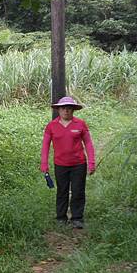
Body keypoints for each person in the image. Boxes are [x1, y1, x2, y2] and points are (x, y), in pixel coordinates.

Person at [40, 96, 96, 229]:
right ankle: (61, 217)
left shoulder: (80, 124)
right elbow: (45, 146)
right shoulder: (51, 126)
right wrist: (44, 164)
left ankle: (77, 218)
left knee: (78, 191)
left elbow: (88, 143)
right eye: (63, 108)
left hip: (78, 164)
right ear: (58, 110)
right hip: (60, 165)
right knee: (62, 191)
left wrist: (92, 162)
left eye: (69, 108)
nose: (66, 111)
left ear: (73, 110)